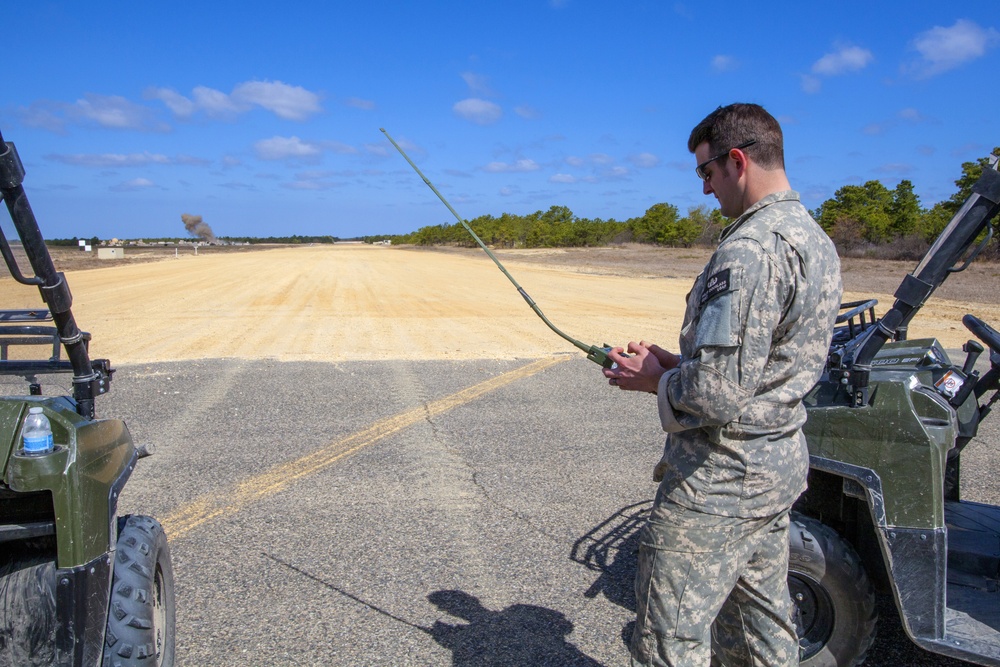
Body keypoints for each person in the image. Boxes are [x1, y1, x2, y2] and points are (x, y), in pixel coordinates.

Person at [603, 103, 843, 666]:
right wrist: (674, 362)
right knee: (762, 631)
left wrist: (656, 382)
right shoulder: (812, 238)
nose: (706, 188)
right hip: (773, 471)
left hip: (718, 483)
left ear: (736, 161)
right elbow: (765, 362)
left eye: (705, 172)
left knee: (671, 642)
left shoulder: (751, 249)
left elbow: (716, 393)